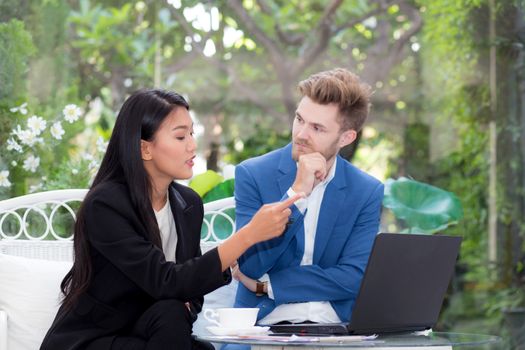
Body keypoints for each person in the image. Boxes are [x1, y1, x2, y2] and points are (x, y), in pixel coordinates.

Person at [40, 89, 302, 350]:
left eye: (191, 133)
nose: (192, 145)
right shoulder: (106, 204)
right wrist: (248, 236)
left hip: (153, 332)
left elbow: (190, 290)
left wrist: (182, 294)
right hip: (94, 338)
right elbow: (166, 281)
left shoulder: (188, 203)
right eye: (180, 136)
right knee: (172, 312)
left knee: (176, 317)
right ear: (145, 148)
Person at [232, 68, 384, 326]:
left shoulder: (366, 191)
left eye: (317, 128)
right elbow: (251, 265)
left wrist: (269, 285)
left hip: (336, 324)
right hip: (262, 322)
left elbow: (354, 277)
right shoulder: (254, 174)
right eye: (299, 120)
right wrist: (296, 195)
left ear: (346, 137)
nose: (301, 134)